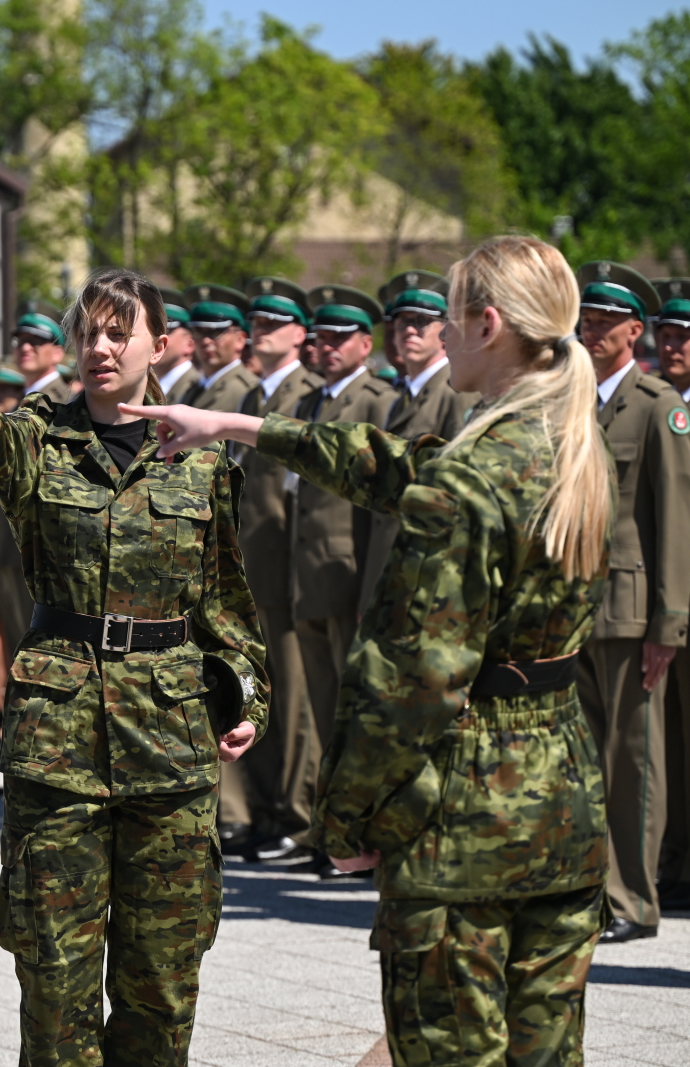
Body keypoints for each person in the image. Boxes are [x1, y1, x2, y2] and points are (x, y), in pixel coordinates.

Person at [133, 235, 614, 1067]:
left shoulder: (479, 474)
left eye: (452, 319)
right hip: (560, 805)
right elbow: (395, 468)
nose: (443, 334)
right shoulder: (564, 443)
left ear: (487, 324)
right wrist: (237, 424)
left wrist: (348, 817)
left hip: (465, 817)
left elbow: (411, 679)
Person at [0, 266, 268, 1066]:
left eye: (120, 331)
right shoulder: (39, 438)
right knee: (54, 981)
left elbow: (226, 594)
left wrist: (245, 689)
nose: (101, 347)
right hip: (60, 746)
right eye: (88, 331)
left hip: (170, 741)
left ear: (161, 342)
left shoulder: (201, 454)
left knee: (162, 979)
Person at [573, 260, 690, 943]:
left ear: (634, 332)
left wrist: (668, 624)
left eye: (605, 321)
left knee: (634, 761)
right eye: (586, 317)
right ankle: (593, 888)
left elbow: (673, 521)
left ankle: (634, 899)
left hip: (631, 608)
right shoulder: (574, 399)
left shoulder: (657, 407)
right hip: (574, 606)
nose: (591, 329)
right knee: (586, 758)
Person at [286, 283, 397, 878]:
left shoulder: (377, 401)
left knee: (354, 716)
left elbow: (379, 508)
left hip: (350, 574)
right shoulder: (310, 402)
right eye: (319, 340)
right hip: (309, 574)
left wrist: (371, 590)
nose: (324, 349)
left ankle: (362, 835)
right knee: (321, 709)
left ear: (363, 344)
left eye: (336, 340)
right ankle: (327, 836)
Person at [232, 277, 322, 864]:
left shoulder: (304, 395)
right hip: (251, 571)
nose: (261, 332)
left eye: (273, 324)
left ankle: (296, 816)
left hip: (290, 573)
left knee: (295, 703)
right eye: (257, 323)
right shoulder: (253, 398)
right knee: (258, 696)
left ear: (298, 335)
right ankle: (264, 812)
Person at [360, 271, 479, 612]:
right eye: (400, 322)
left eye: (421, 321)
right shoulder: (401, 397)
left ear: (446, 329)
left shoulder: (454, 393)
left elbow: (457, 494)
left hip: (427, 574)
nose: (408, 330)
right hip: (390, 566)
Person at [651, 279, 690, 911]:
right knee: (672, 744)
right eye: (667, 335)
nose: (674, 345)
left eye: (685, 336)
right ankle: (677, 864)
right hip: (665, 601)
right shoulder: (659, 404)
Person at [178, 283, 258, 410]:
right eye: (199, 332)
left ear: (240, 340)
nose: (205, 341)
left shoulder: (249, 390)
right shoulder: (191, 389)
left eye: (216, 333)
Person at [14, 312, 77, 404]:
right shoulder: (18, 400)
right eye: (21, 341)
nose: (25, 348)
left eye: (36, 342)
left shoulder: (67, 402)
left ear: (57, 354)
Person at [156, 287, 200, 401]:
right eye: (153, 331)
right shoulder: (147, 385)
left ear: (189, 344)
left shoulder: (196, 387)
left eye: (166, 331)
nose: (156, 338)